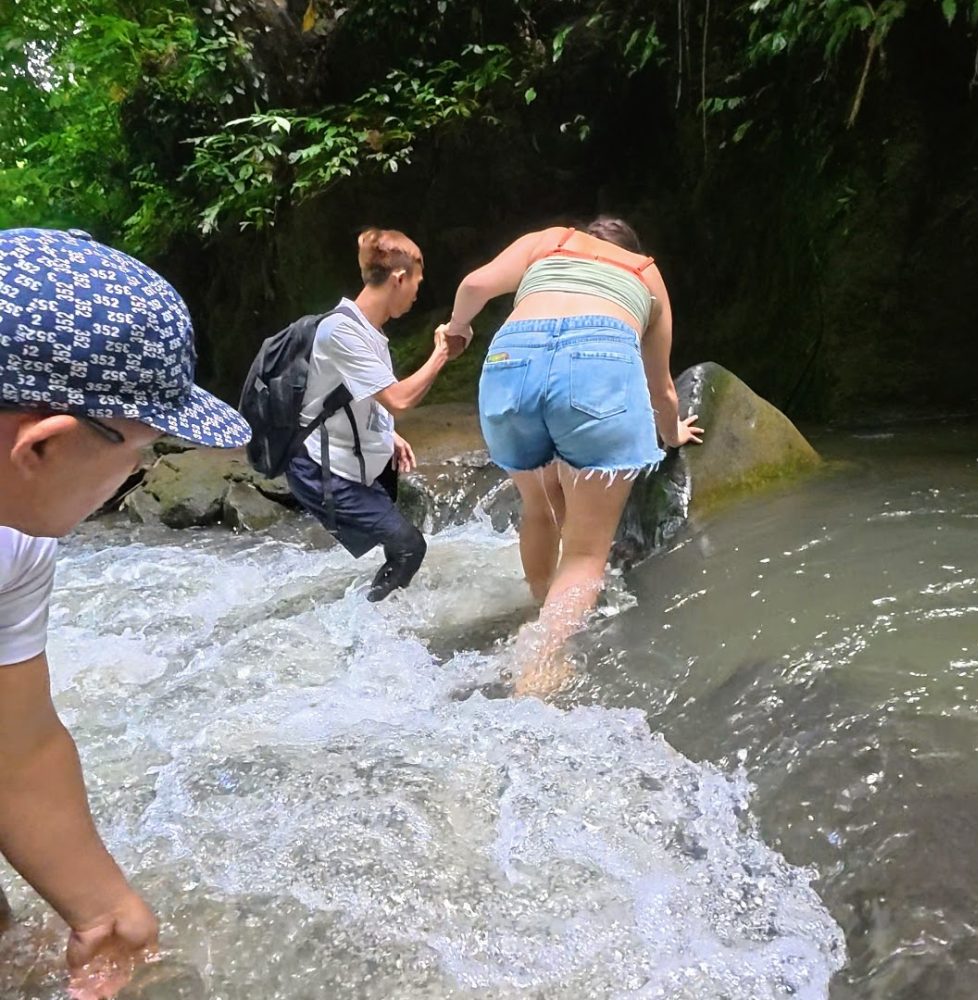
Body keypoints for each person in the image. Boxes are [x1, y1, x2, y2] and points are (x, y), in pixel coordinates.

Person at [0, 227, 250, 993]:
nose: (140, 472)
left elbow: (19, 743)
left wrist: (101, 911)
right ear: (42, 446)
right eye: (140, 450)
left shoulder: (15, 544)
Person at [440, 217, 703, 692]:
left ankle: (543, 613)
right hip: (597, 362)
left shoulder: (550, 241)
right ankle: (540, 664)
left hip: (510, 361)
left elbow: (475, 284)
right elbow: (661, 387)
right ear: (629, 248)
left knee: (539, 509)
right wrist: (672, 435)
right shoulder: (644, 271)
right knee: (584, 552)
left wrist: (458, 331)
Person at [285, 227, 452, 602]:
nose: (415, 295)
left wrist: (387, 434)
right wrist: (441, 353)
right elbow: (399, 398)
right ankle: (367, 624)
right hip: (320, 470)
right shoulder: (341, 331)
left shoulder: (367, 331)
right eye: (417, 285)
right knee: (410, 547)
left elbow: (350, 394)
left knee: (402, 546)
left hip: (345, 462)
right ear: (399, 278)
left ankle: (374, 614)